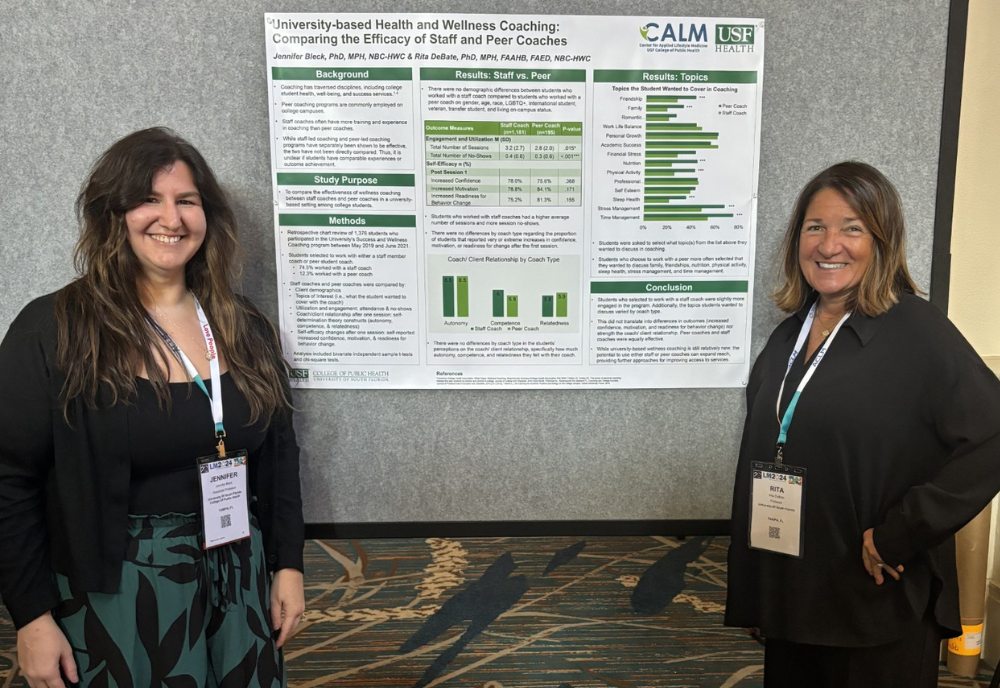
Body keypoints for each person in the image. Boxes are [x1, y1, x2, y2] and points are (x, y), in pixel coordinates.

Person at [0, 127, 305, 688]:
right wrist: (31, 617)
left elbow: (279, 455)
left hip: (238, 575)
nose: (172, 217)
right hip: (117, 588)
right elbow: (8, 478)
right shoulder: (54, 329)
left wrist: (287, 564)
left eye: (186, 201)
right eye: (148, 199)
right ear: (112, 214)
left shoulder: (243, 325)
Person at [725, 161, 1000, 687]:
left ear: (882, 241)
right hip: (793, 597)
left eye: (852, 228)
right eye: (815, 227)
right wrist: (759, 588)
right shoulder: (787, 336)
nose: (830, 245)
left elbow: (993, 436)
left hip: (871, 604)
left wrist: (901, 533)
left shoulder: (917, 332)